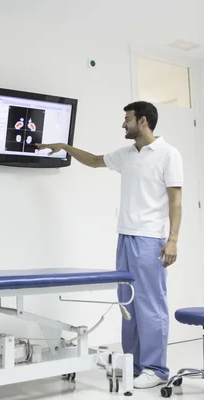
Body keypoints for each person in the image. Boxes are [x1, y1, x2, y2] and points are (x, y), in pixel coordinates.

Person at [37, 101, 183, 389]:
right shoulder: (127, 155)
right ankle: (136, 365)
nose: (122, 124)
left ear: (142, 121)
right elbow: (93, 160)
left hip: (151, 238)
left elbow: (176, 200)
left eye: (127, 119)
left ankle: (157, 369)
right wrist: (65, 147)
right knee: (128, 304)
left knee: (150, 305)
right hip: (126, 236)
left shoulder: (168, 154)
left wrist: (173, 240)